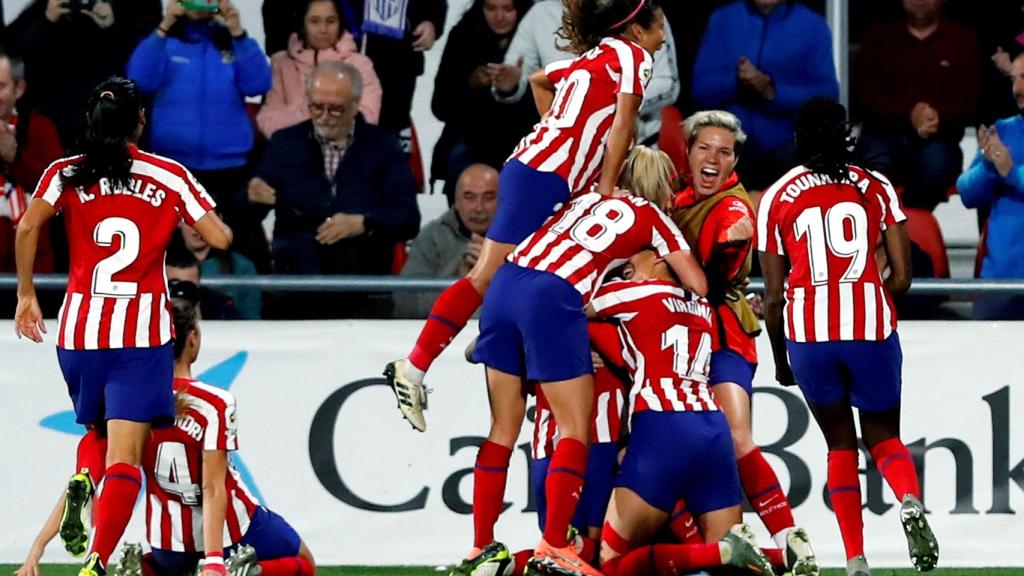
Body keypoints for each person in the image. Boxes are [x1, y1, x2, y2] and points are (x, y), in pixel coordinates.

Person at [385, 0, 678, 434]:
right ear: (638, 31)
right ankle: (413, 367)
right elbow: (620, 127)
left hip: (538, 168)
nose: (662, 41)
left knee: (546, 267)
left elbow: (539, 79)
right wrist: (603, 185)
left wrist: (561, 135)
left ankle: (494, 332)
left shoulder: (593, 58)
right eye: (659, 33)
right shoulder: (635, 58)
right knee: (487, 273)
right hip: (546, 175)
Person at [13, 76, 232, 576]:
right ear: (142, 120)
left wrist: (27, 295)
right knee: (127, 459)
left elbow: (27, 225)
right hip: (141, 338)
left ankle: (83, 481)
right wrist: (186, 216)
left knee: (97, 431)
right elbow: (218, 239)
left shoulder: (66, 172)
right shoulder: (169, 175)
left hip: (80, 333)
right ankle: (98, 559)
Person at [467, 143, 706, 575]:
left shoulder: (578, 205)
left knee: (504, 431)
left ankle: (484, 548)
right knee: (591, 552)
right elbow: (697, 288)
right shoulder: (652, 245)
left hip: (528, 345)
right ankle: (718, 556)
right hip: (604, 416)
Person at [758, 96, 939, 576]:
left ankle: (856, 559)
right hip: (870, 328)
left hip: (809, 335)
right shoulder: (874, 186)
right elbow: (904, 276)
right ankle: (908, 500)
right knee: (884, 436)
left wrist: (781, 362)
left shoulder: (776, 196)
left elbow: (773, 298)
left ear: (798, 139)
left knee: (840, 444)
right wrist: (872, 297)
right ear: (846, 135)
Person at [588, 250, 780, 576]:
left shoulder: (634, 293)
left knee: (612, 564)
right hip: (713, 429)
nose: (625, 273)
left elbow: (567, 303)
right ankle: (784, 557)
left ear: (661, 260)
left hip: (662, 427)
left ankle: (723, 554)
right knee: (737, 567)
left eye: (630, 266)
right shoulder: (701, 306)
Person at [671, 109, 812, 555]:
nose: (713, 158)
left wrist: (731, 249)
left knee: (735, 437)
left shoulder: (734, 210)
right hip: (675, 339)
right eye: (704, 147)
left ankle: (790, 539)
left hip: (722, 336)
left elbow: (710, 283)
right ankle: (712, 549)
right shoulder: (674, 198)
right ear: (689, 152)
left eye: (724, 152)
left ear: (735, 163)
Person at [127, 0, 272, 269]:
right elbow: (139, 80)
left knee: (232, 255)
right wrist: (164, 26)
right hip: (175, 168)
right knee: (172, 257)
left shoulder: (231, 40)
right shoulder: (165, 40)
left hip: (230, 171)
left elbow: (259, 83)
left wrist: (238, 32)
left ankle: (237, 309)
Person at [247, 60, 419, 277]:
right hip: (296, 287)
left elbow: (408, 219)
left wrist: (363, 223)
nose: (325, 116)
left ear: (355, 105)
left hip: (364, 287)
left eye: (335, 109)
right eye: (316, 107)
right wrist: (251, 194)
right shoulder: (285, 143)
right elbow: (247, 213)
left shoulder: (384, 146)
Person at [692, 0, 839, 193]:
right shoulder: (723, 19)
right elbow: (701, 88)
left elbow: (828, 95)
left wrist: (773, 93)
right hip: (731, 144)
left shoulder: (813, 26)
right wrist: (737, 82)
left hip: (790, 146)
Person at [490, 0, 679, 144]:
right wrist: (510, 84)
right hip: (569, 155)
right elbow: (521, 78)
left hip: (638, 150)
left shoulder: (642, 11)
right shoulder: (540, 14)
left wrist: (605, 103)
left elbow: (669, 86)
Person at [854, 0, 978, 212]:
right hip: (882, 135)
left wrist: (936, 117)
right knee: (870, 172)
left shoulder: (962, 40)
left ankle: (907, 230)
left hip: (939, 138)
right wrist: (909, 115)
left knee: (936, 167)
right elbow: (864, 97)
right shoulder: (878, 37)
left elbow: (971, 101)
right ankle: (879, 231)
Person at [430, 0, 538, 197]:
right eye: (490, 8)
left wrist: (516, 87)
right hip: (470, 140)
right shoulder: (463, 36)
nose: (499, 17)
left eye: (507, 8)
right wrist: (470, 84)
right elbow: (440, 106)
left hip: (524, 140)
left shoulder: (538, 37)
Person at [957, 50, 1024, 320]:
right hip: (999, 282)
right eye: (1014, 79)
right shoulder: (1003, 130)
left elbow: (1010, 170)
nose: (1017, 88)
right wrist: (988, 166)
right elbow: (966, 193)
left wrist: (1011, 171)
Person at [257, 0, 382, 139]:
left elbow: (367, 119)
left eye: (331, 21)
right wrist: (312, 111)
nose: (323, 29)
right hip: (294, 155)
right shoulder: (282, 64)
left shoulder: (360, 65)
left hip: (345, 156)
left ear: (340, 23)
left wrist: (307, 115)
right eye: (315, 21)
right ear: (303, 24)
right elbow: (268, 123)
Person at [398, 164, 498, 318]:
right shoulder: (431, 238)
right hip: (448, 336)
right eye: (469, 197)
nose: (479, 208)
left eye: (489, 197)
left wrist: (501, 272)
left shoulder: (527, 237)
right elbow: (405, 304)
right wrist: (460, 279)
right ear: (456, 201)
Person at [0, 49, 63, 274]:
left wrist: (15, 157)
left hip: (31, 270)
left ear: (19, 88)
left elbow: (59, 191)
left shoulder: (40, 129)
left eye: (1, 86)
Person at [179, 221, 262, 319]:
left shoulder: (242, 266)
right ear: (178, 222)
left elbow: (253, 320)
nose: (197, 228)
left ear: (217, 220)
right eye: (190, 220)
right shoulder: (161, 264)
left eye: (202, 219)